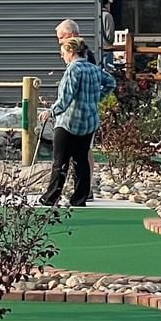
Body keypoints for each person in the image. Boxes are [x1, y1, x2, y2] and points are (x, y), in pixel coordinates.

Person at [40, 36, 116, 208]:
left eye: (63, 53)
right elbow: (111, 83)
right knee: (81, 160)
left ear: (71, 52)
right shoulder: (94, 69)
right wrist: (96, 98)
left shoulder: (73, 69)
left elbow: (66, 97)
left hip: (69, 121)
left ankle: (51, 196)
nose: (62, 56)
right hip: (88, 121)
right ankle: (79, 198)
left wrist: (51, 111)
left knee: (60, 161)